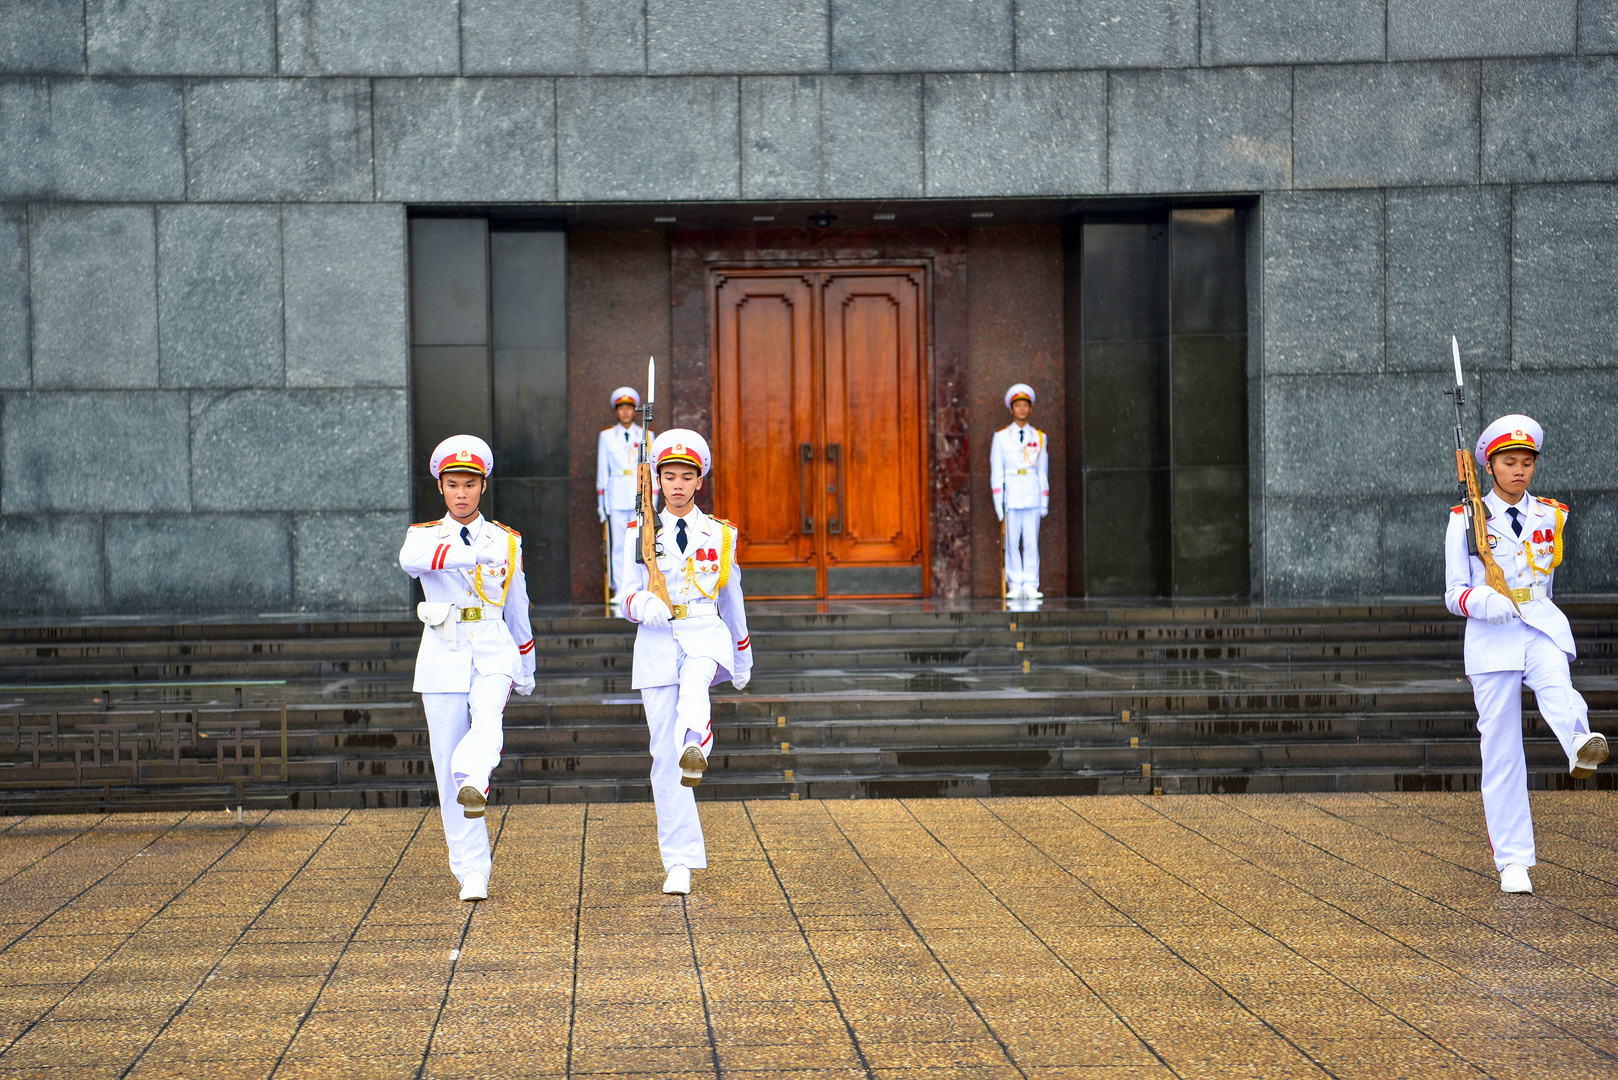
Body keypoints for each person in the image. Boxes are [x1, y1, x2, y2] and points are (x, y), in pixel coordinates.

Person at [1444, 413, 1606, 895]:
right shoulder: (1465, 519)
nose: (1519, 470)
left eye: (1526, 462)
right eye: (1509, 462)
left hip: (1538, 623)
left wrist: (1522, 605)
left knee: (1557, 682)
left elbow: (1544, 582)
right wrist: (1482, 600)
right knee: (1501, 751)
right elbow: (1454, 593)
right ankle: (1513, 861)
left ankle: (1579, 741)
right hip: (1492, 636)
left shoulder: (1551, 515)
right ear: (1489, 467)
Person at [399, 434, 536, 902]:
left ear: (483, 487)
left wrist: (528, 663)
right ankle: (471, 870)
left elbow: (518, 607)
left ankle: (475, 776)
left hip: (494, 648)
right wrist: (470, 553)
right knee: (445, 767)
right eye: (453, 484)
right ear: (441, 488)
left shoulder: (507, 540)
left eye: (470, 484)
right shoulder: (424, 536)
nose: (461, 493)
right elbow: (409, 562)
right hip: (443, 651)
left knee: (488, 717)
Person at [618, 429, 752, 896]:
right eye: (668, 476)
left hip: (704, 633)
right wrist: (641, 605)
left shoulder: (721, 533)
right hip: (656, 641)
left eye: (686, 476)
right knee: (662, 757)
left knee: (696, 684)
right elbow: (623, 595)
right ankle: (678, 860)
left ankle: (698, 737)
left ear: (700, 481)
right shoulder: (640, 531)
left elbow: (732, 599)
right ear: (657, 480)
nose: (677, 484)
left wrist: (742, 656)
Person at [990, 383, 1050, 600]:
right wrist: (999, 503)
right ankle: (1015, 583)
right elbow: (997, 472)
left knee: (1032, 542)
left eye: (1025, 405)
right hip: (1012, 495)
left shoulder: (1039, 437)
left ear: (1030, 409)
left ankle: (1032, 583)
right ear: (1011, 409)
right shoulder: (1001, 437)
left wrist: (1044, 500)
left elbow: (1042, 470)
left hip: (1033, 494)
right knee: (1012, 542)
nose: (1022, 409)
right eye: (1018, 405)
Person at [597, 387, 650, 602]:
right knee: (617, 545)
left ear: (634, 410)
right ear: (617, 411)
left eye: (629, 408)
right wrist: (602, 503)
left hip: (639, 496)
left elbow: (651, 471)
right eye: (622, 408)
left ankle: (640, 586)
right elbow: (603, 470)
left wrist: (651, 500)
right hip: (616, 498)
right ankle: (620, 588)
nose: (626, 412)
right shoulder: (607, 436)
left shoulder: (646, 435)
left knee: (641, 543)